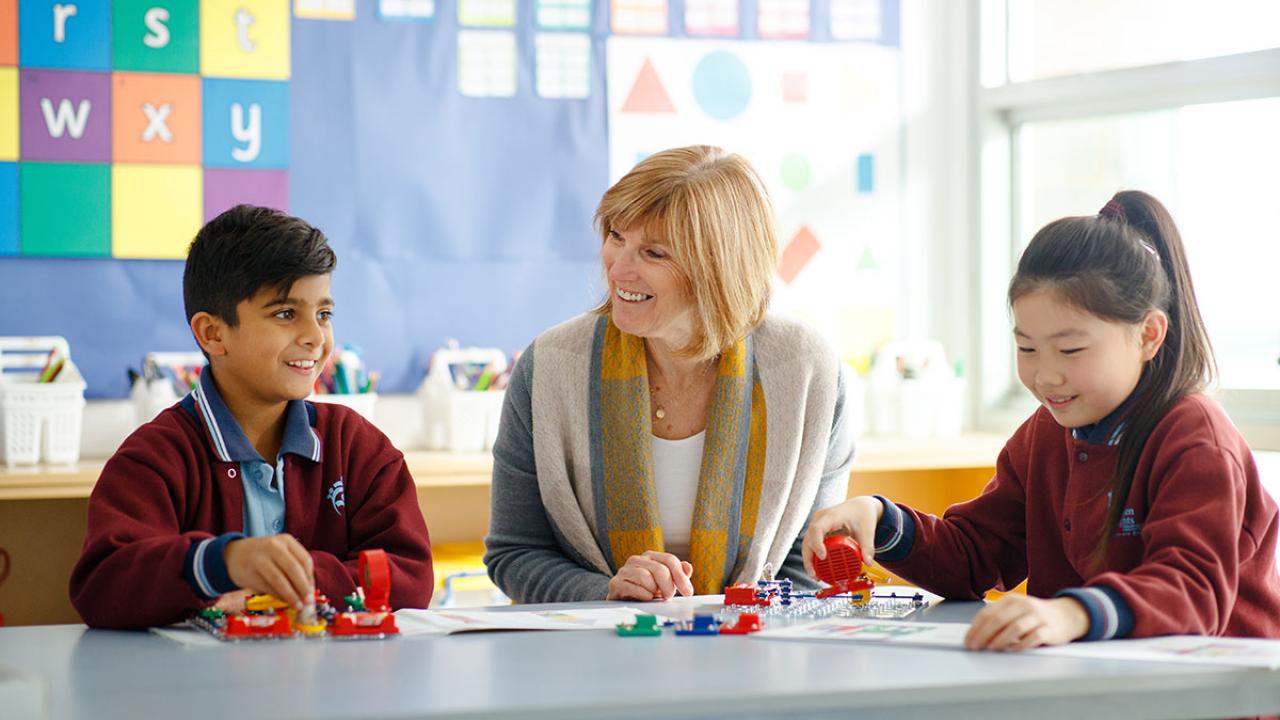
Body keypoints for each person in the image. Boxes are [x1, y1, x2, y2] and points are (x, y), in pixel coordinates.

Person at [804, 190, 1280, 649]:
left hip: (1213, 698)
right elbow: (977, 555)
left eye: (1071, 349)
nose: (1045, 374)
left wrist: (1070, 613)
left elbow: (1193, 593)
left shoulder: (1194, 436)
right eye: (1026, 348)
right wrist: (884, 520)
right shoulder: (1047, 432)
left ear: (1149, 335)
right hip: (1094, 691)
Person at [485, 145, 857, 603]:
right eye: (616, 236)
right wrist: (606, 593)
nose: (618, 268)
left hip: (754, 653)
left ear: (719, 268)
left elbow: (811, 562)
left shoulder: (807, 371)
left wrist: (728, 631)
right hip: (596, 653)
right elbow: (515, 552)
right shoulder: (549, 367)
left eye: (654, 253)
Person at [69, 205, 434, 628]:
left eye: (324, 314)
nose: (315, 336)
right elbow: (103, 585)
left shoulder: (357, 447)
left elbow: (411, 576)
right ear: (213, 334)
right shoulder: (156, 455)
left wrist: (290, 582)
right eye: (285, 313)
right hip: (201, 689)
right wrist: (223, 562)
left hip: (334, 688)